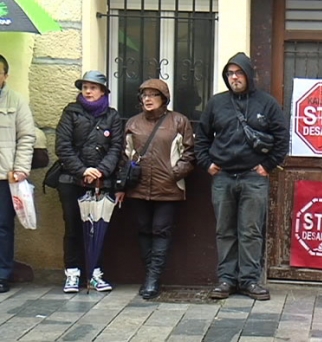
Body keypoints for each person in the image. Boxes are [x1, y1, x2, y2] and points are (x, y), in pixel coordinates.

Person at [195, 52, 289, 301]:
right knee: (224, 230)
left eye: (238, 73)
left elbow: (282, 138)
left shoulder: (267, 103)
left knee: (250, 231)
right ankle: (226, 280)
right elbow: (201, 137)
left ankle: (249, 281)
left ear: (248, 75)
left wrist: (267, 165)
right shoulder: (216, 103)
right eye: (230, 73)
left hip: (253, 177)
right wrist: (207, 163)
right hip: (223, 177)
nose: (234, 77)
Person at [115, 79, 195, 300]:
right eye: (144, 95)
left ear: (164, 99)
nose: (148, 99)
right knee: (143, 230)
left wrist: (175, 173)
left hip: (168, 189)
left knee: (161, 230)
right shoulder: (133, 123)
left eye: (153, 95)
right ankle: (150, 275)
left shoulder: (179, 121)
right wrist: (123, 184)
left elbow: (189, 153)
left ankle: (152, 280)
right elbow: (125, 155)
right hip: (138, 188)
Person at [55, 71, 123, 293]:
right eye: (85, 87)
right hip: (71, 179)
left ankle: (95, 271)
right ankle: (73, 273)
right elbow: (62, 146)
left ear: (103, 91)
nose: (88, 91)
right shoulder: (70, 113)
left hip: (101, 182)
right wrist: (83, 170)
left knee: (98, 228)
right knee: (73, 227)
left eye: (93, 87)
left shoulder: (112, 116)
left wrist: (101, 171)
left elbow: (116, 147)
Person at [0, 55, 36, 294]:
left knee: (3, 227)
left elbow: (26, 137)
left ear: (5, 76)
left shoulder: (15, 101)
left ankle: (2, 274)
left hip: (4, 177)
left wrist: (21, 168)